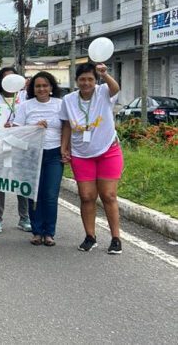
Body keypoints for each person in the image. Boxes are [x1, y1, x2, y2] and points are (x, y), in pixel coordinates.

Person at [60, 63, 123, 254]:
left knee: (108, 195)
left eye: (90, 79)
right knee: (87, 197)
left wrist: (105, 74)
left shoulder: (103, 92)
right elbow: (67, 125)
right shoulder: (68, 100)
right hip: (81, 154)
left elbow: (115, 88)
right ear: (76, 81)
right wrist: (64, 147)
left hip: (107, 151)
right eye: (82, 79)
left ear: (95, 81)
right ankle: (90, 236)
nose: (86, 83)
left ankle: (115, 238)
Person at [14, 72, 63, 246]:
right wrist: (34, 127)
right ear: (32, 89)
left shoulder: (60, 104)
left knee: (50, 194)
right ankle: (36, 231)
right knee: (34, 194)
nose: (41, 89)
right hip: (32, 154)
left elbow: (67, 128)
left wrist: (65, 150)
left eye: (45, 85)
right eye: (37, 86)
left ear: (51, 87)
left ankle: (49, 232)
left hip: (54, 154)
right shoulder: (25, 106)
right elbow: (16, 131)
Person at [0, 67, 31, 233]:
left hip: (22, 146)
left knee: (22, 182)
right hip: (2, 147)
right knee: (0, 182)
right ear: (0, 81)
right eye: (5, 78)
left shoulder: (26, 98)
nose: (9, 81)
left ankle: (24, 217)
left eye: (12, 77)